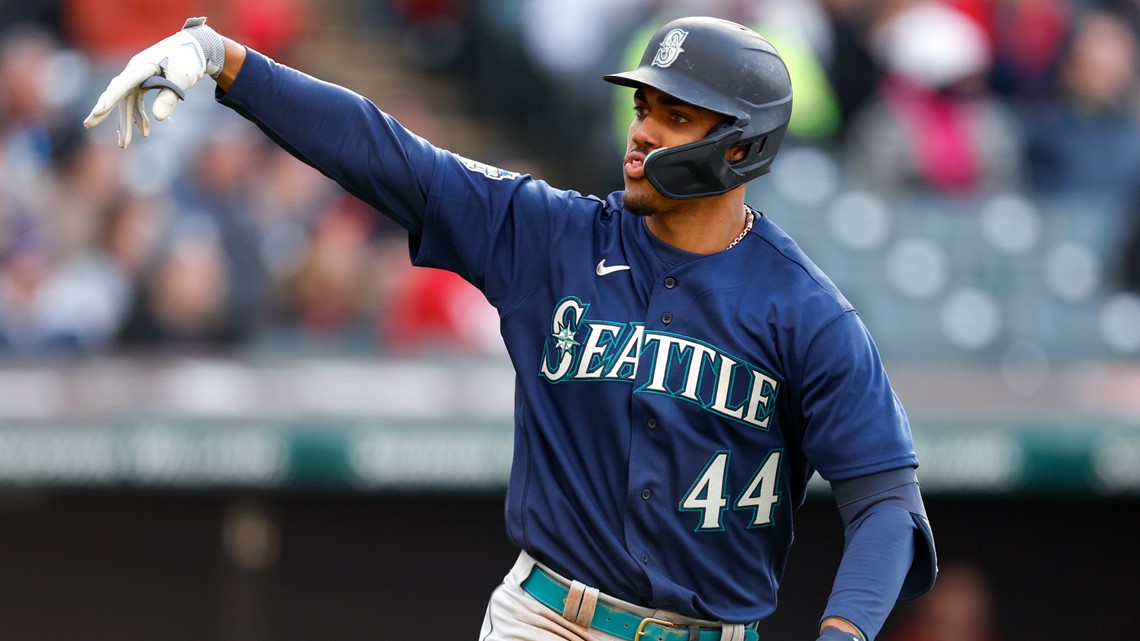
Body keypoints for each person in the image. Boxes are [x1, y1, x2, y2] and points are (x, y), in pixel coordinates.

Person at [83, 15, 937, 641]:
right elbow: (391, 155)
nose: (641, 129)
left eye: (676, 115)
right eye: (644, 104)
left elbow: (885, 500)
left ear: (743, 149)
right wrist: (224, 60)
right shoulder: (550, 236)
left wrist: (844, 634)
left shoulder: (806, 311)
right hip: (544, 619)